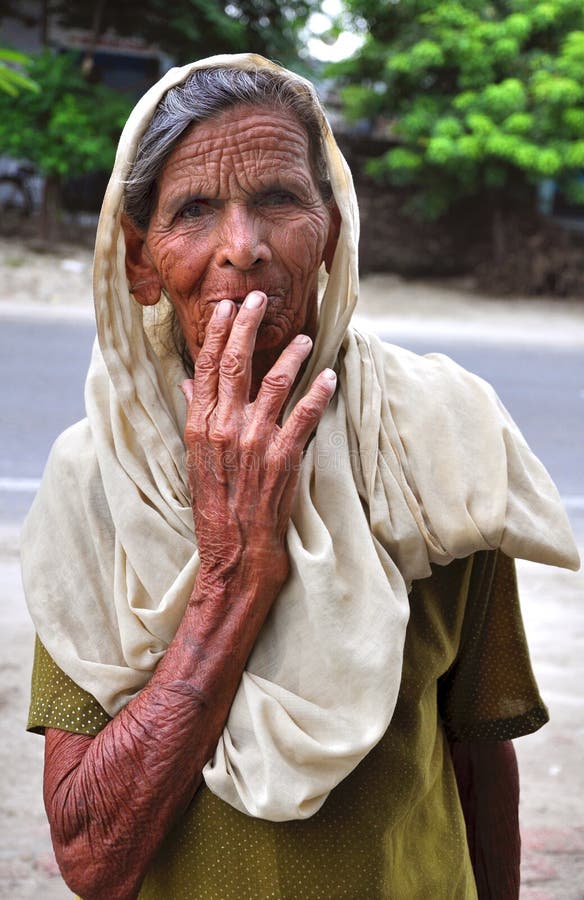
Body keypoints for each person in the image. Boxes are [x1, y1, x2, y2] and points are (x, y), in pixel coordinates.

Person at [22, 54, 579, 900]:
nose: (241, 249)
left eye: (280, 200)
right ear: (141, 259)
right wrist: (231, 578)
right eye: (195, 210)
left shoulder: (431, 441)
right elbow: (93, 859)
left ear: (332, 231)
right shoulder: (102, 481)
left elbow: (475, 749)